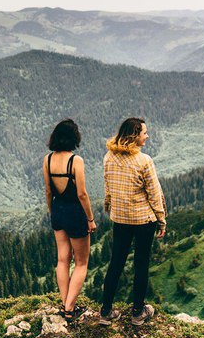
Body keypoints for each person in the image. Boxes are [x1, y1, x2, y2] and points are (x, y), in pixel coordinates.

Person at [99, 117, 167, 326]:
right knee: (141, 263)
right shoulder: (144, 160)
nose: (147, 136)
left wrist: (110, 206)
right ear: (135, 135)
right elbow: (154, 193)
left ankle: (106, 311)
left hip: (120, 219)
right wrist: (161, 219)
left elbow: (108, 186)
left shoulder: (109, 157)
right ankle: (138, 312)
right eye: (144, 133)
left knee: (116, 262)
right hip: (143, 220)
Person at [43, 118, 97, 324]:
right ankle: (69, 309)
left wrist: (53, 212)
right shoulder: (76, 161)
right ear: (75, 138)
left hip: (58, 210)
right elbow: (82, 194)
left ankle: (65, 303)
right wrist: (90, 219)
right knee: (81, 263)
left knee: (62, 260)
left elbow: (49, 191)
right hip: (75, 212)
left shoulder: (47, 160)